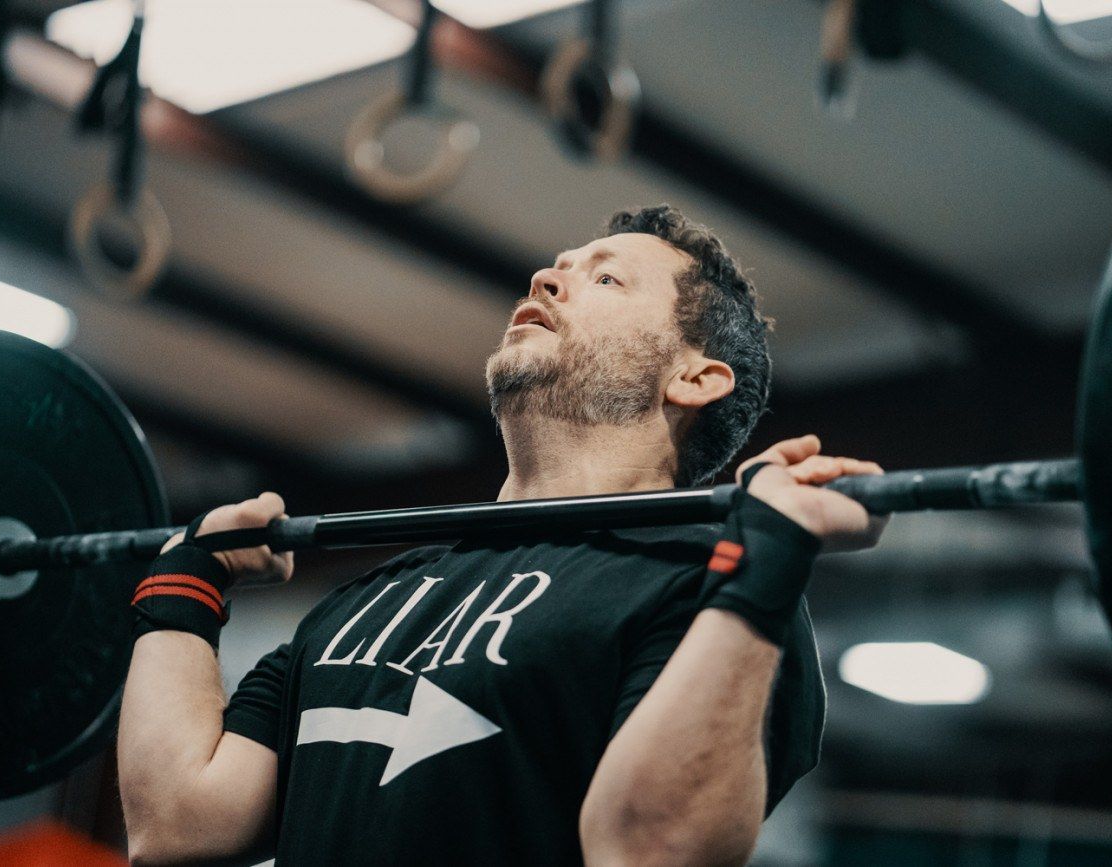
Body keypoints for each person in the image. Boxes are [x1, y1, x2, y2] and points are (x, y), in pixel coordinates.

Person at [117, 205, 886, 865]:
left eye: (605, 277)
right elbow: (178, 824)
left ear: (693, 377)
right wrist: (186, 583)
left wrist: (767, 559)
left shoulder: (697, 590)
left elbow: (653, 848)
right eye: (556, 268)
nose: (545, 281)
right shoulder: (358, 604)